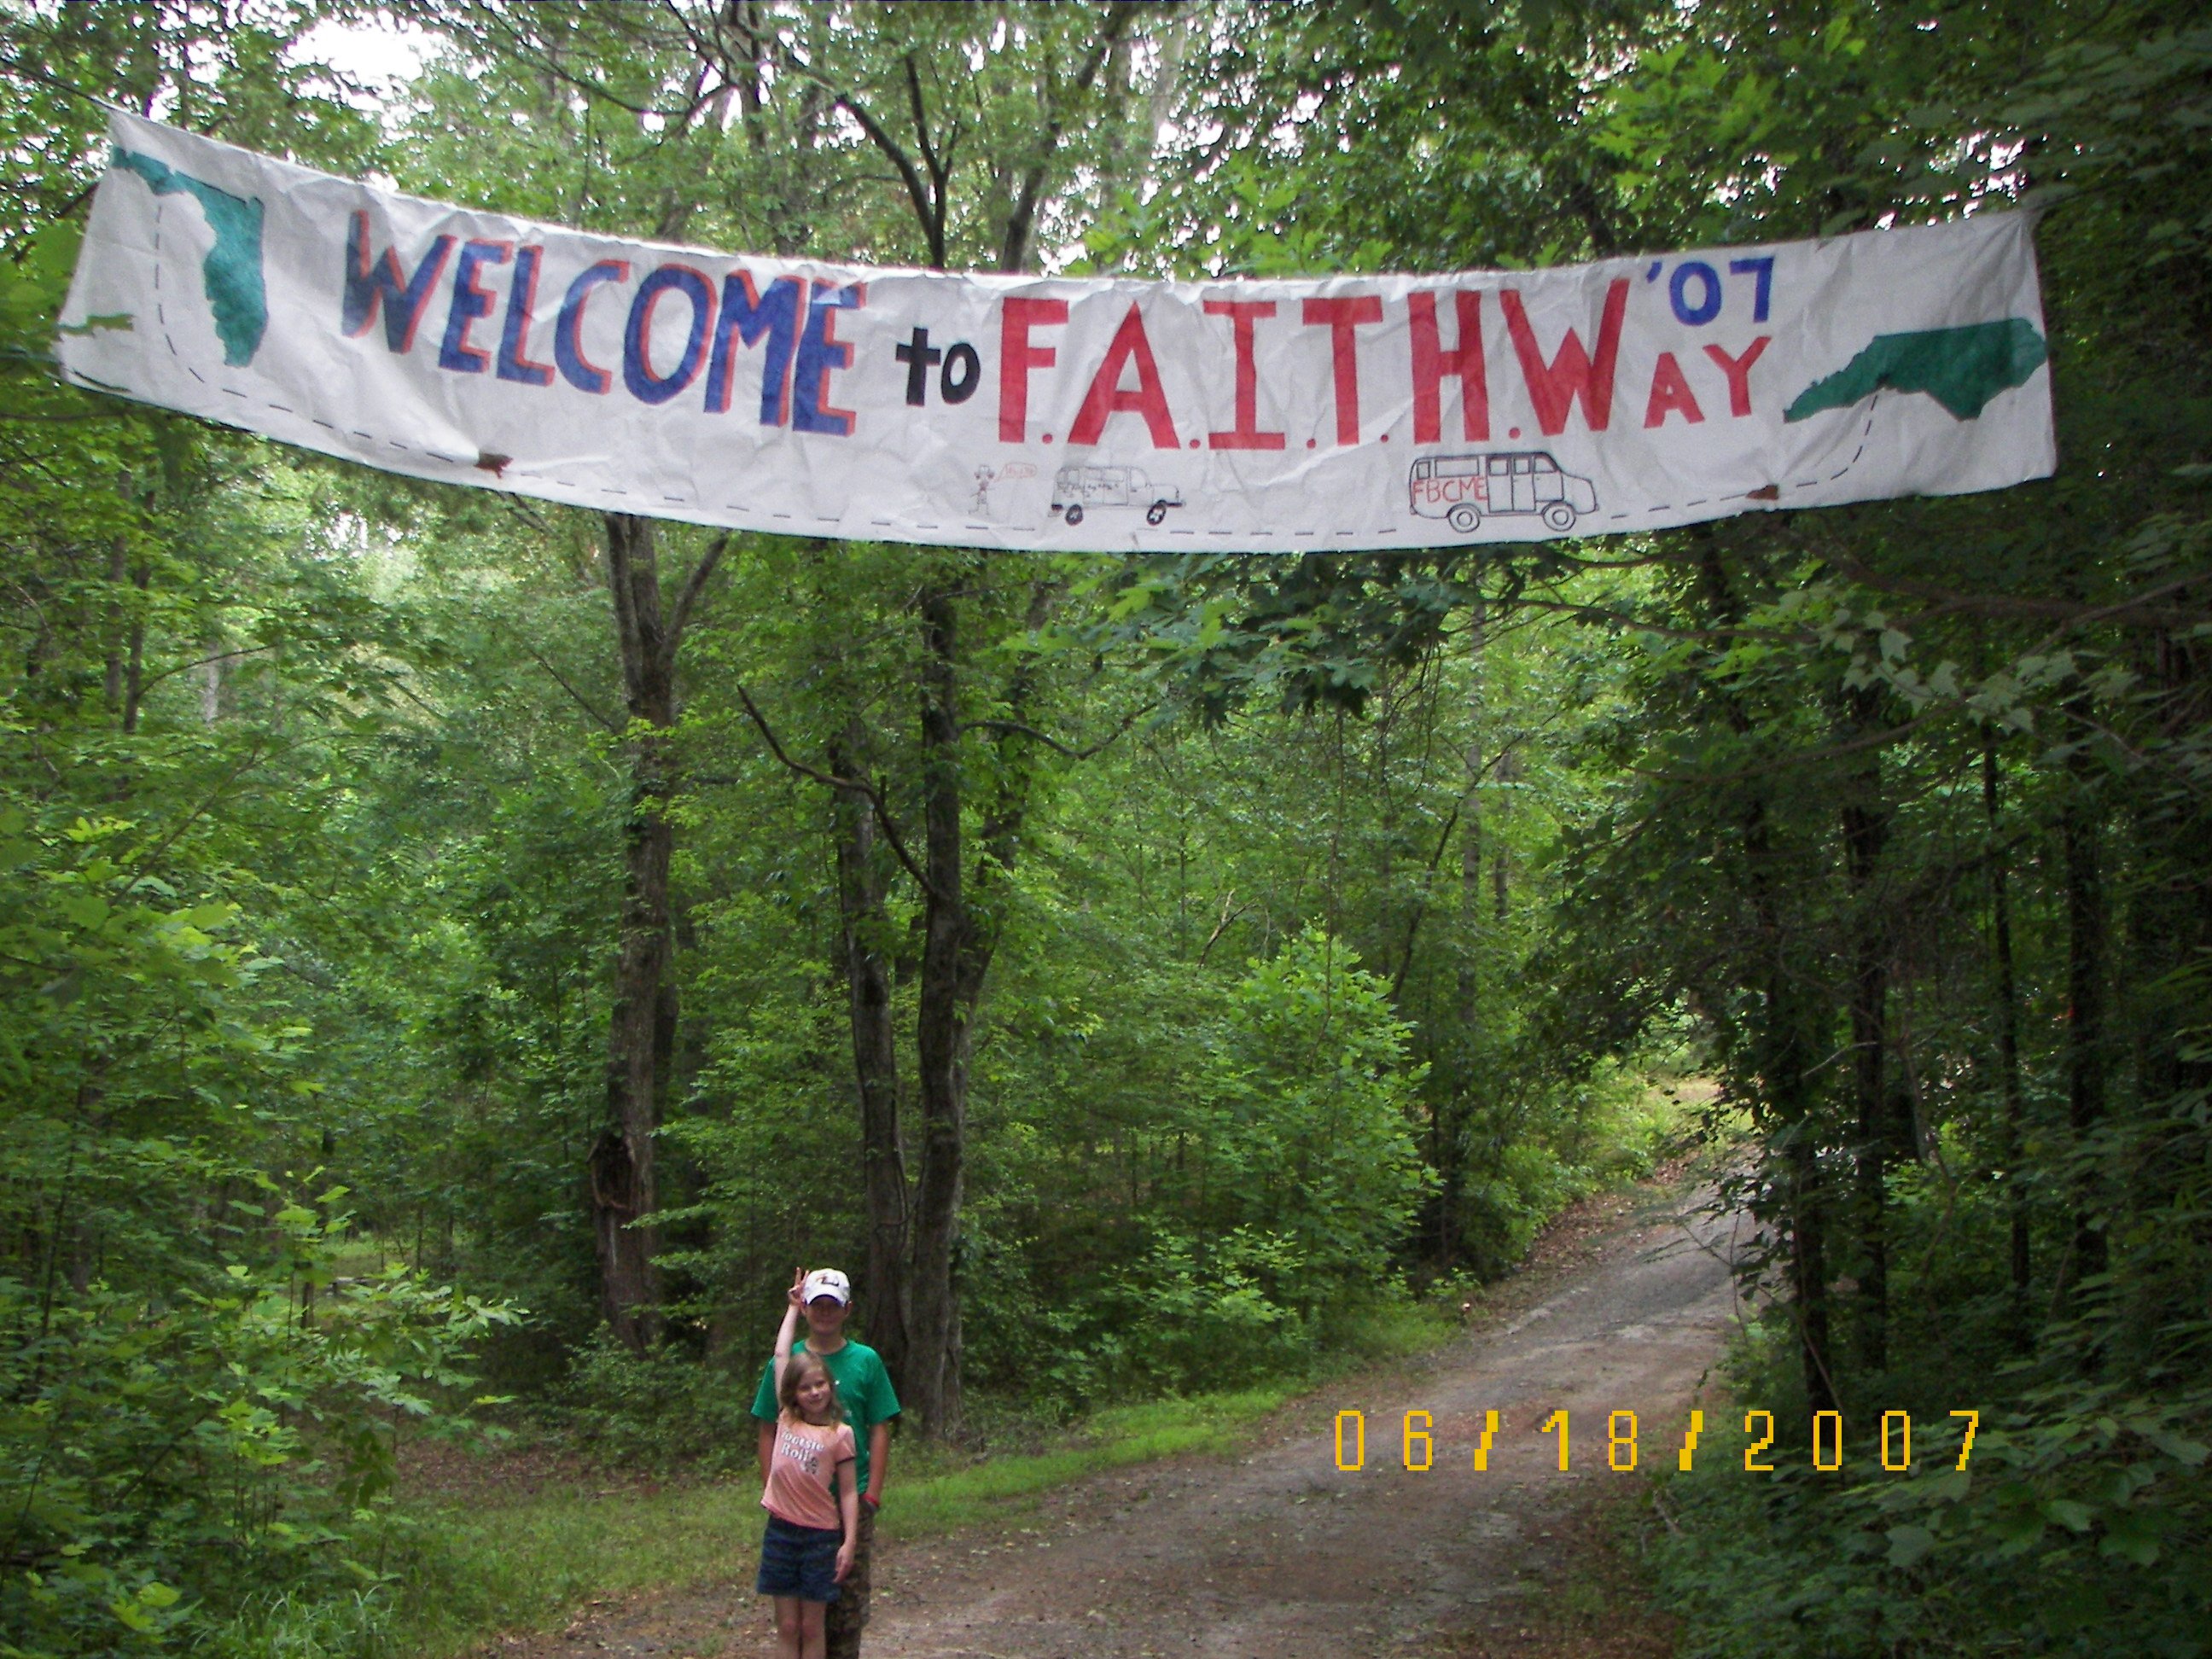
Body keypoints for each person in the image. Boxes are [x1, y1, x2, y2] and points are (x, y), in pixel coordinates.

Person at [752, 1267, 901, 1659]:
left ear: (847, 1309)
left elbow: (880, 1426)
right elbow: (768, 1428)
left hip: (847, 1504)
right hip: (794, 1513)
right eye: (816, 1305)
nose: (824, 1313)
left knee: (844, 1611)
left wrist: (872, 1496)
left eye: (832, 1306)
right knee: (794, 1619)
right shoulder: (789, 1367)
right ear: (804, 1308)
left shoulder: (866, 1361)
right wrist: (773, 1490)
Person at [756, 1274, 859, 1659]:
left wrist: (848, 1542)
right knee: (787, 1626)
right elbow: (782, 1355)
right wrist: (792, 1309)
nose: (814, 1392)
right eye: (805, 1387)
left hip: (820, 1536)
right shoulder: (786, 1419)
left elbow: (848, 1491)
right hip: (781, 1531)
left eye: (820, 1385)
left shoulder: (841, 1434)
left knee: (813, 1626)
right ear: (793, 1394)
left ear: (830, 1387)